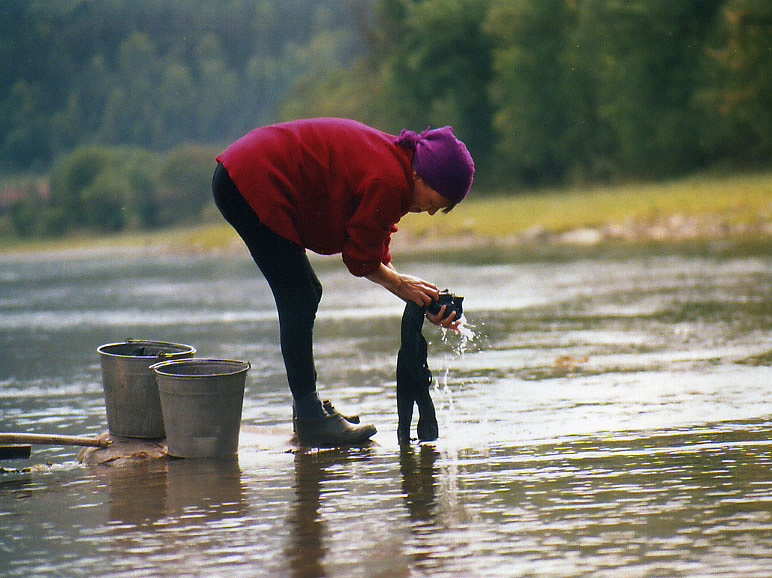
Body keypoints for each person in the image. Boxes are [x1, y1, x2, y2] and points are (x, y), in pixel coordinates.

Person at [212, 117, 474, 446]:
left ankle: (307, 410)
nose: (431, 211)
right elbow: (360, 259)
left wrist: (421, 299)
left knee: (306, 292)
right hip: (251, 178)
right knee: (299, 295)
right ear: (421, 173)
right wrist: (400, 285)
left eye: (441, 208)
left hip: (244, 171)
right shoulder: (392, 179)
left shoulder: (397, 166)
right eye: (435, 201)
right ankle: (310, 419)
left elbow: (371, 241)